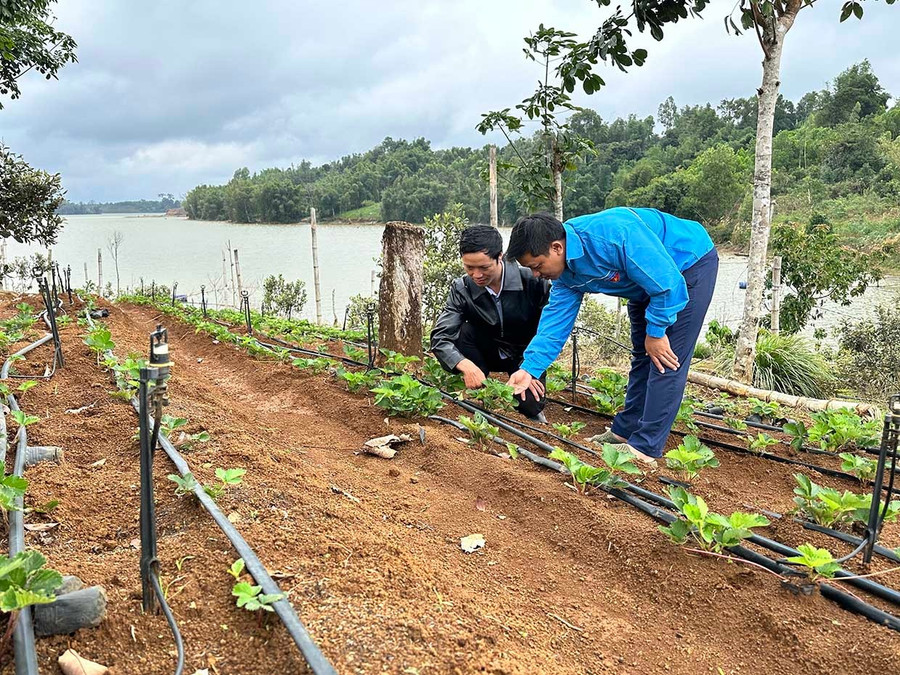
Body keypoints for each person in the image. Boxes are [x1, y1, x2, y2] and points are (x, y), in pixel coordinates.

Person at [505, 208, 719, 464]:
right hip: (644, 283)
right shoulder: (565, 275)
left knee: (666, 359)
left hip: (686, 266)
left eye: (537, 266)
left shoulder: (613, 235)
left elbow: (668, 283)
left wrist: (657, 331)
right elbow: (555, 323)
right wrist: (529, 369)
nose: (536, 275)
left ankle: (646, 447)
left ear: (557, 248)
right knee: (643, 354)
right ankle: (624, 432)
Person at [431, 224, 551, 420]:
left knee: (530, 406)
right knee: (462, 331)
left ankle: (523, 391)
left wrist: (532, 366)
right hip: (486, 352)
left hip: (524, 354)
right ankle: (479, 382)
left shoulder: (532, 281)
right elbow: (440, 338)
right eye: (469, 267)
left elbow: (550, 331)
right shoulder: (462, 288)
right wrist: (465, 365)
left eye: (484, 267)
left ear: (500, 257)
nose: (476, 275)